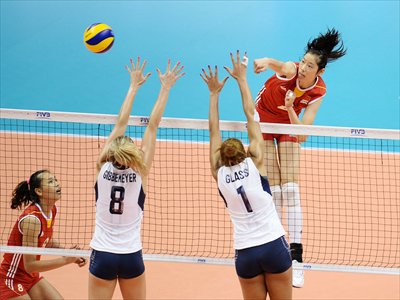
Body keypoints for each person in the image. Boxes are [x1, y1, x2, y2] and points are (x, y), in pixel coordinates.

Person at [253, 28, 347, 288]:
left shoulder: (318, 91)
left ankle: (297, 259)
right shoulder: (292, 70)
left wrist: (292, 109)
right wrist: (264, 62)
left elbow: (302, 134)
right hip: (264, 119)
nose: (303, 68)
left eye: (309, 66)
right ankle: (276, 250)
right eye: (303, 62)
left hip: (289, 123)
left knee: (291, 191)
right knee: (273, 191)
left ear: (320, 71)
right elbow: (278, 65)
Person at [88, 57, 184, 300]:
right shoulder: (140, 171)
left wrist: (133, 86)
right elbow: (152, 126)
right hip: (131, 255)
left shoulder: (102, 167)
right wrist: (165, 88)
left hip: (103, 254)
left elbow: (120, 123)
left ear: (111, 152)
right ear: (133, 155)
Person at [201, 51, 292, 300]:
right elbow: (252, 114)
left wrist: (213, 94)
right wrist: (242, 79)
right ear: (246, 152)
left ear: (222, 156)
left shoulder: (218, 172)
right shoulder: (256, 163)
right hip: (273, 245)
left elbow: (212, 131)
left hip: (246, 253)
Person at [0, 170, 87, 300]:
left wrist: (67, 252)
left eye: (56, 180)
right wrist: (66, 260)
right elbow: (30, 265)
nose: (57, 184)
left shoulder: (51, 210)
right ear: (39, 191)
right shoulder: (32, 220)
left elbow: (46, 240)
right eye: (51, 182)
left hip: (31, 276)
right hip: (11, 278)